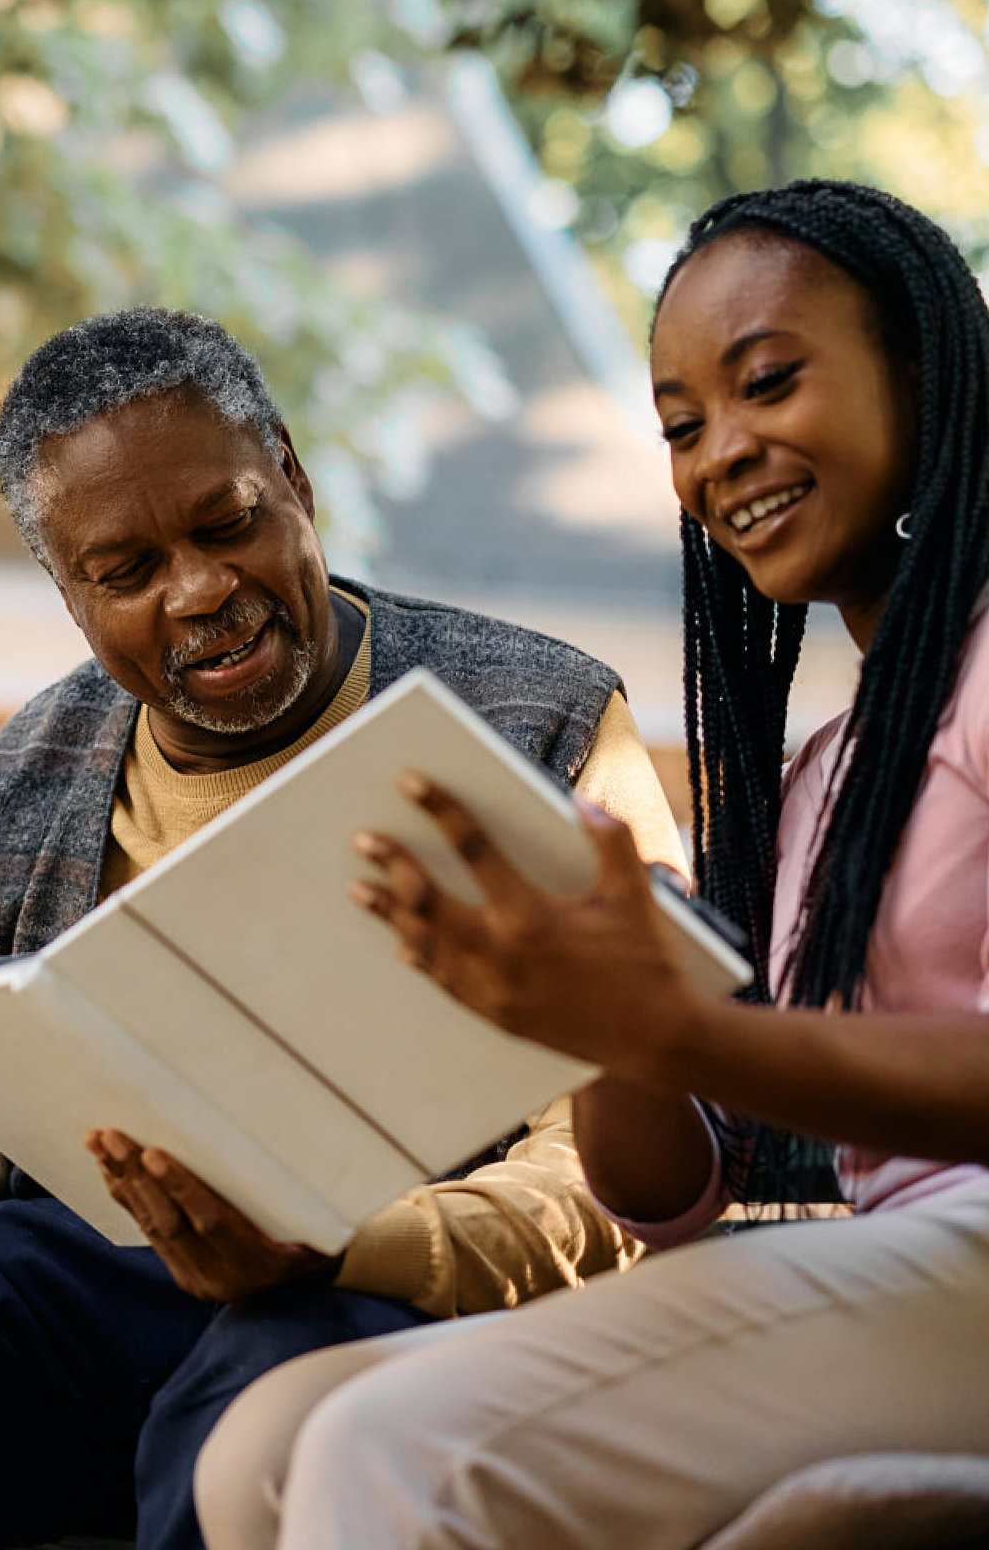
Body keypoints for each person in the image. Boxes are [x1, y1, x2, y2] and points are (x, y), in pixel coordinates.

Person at [0, 307, 686, 1550]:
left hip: (392, 1291)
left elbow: (620, 1176)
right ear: (66, 589)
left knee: (254, 1379)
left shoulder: (540, 723)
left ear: (294, 481)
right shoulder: (25, 775)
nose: (199, 591)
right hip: (107, 1288)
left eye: (226, 523)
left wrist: (344, 1247)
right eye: (127, 571)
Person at [192, 181, 989, 1550]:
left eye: (768, 383)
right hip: (900, 1265)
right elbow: (672, 1198)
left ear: (925, 368)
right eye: (682, 427)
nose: (720, 455)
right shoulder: (820, 781)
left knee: (403, 1451)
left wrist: (671, 1022)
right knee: (260, 1446)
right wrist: (598, 1031)